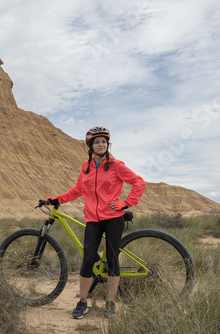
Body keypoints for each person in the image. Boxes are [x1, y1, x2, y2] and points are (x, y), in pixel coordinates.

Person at [47, 126, 146, 319]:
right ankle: (82, 302)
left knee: (112, 261)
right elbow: (77, 190)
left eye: (104, 142)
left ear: (108, 144)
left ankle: (110, 303)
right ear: (90, 146)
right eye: (97, 142)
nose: (101, 144)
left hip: (113, 219)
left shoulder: (116, 165)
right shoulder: (86, 167)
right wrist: (58, 199)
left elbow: (139, 182)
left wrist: (125, 203)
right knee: (88, 259)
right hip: (93, 218)